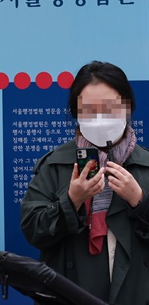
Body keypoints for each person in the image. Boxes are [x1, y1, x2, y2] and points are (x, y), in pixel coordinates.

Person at [20, 61, 149, 304]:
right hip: (71, 293)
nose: (100, 118)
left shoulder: (146, 164)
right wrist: (71, 201)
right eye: (89, 109)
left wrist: (140, 202)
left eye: (110, 108)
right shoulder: (55, 164)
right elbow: (32, 228)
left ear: (127, 107)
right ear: (76, 112)